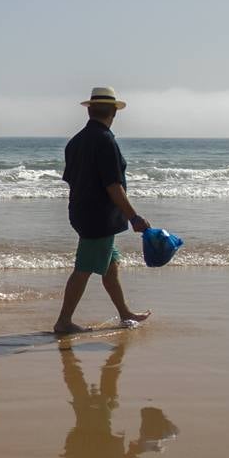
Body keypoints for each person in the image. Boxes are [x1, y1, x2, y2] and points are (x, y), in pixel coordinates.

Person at [52, 87, 153, 334]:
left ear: (89, 110)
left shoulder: (75, 141)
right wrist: (134, 217)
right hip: (99, 217)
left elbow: (72, 180)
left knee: (110, 266)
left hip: (80, 211)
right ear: (114, 113)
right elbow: (113, 186)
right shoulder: (105, 140)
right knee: (84, 268)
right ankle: (63, 321)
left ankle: (125, 313)